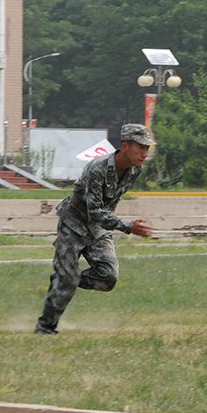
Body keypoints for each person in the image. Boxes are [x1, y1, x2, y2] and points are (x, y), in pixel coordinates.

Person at [34, 124, 156, 334]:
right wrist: (128, 226)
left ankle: (65, 279)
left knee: (108, 277)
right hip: (73, 224)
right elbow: (95, 211)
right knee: (66, 279)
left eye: (147, 148)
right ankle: (45, 327)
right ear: (125, 146)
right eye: (140, 147)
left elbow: (107, 207)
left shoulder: (134, 170)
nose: (145, 153)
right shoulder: (98, 168)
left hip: (99, 228)